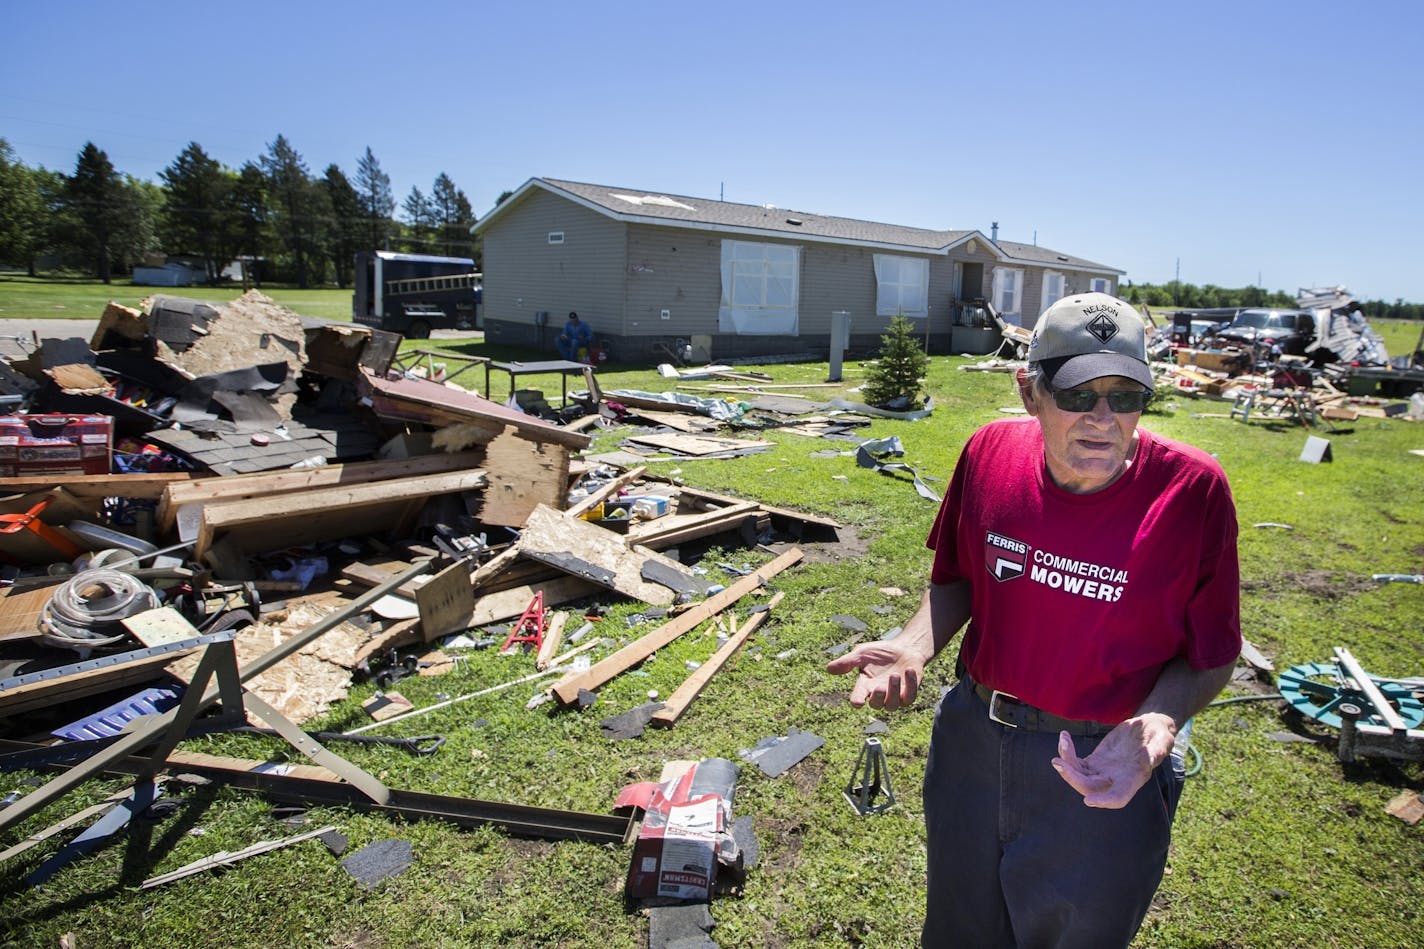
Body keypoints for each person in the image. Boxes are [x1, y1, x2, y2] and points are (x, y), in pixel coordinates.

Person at [828, 292, 1241, 949]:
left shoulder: (1193, 491)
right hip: (973, 746)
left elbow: (1214, 650)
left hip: (1103, 766)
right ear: (1030, 392)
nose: (1103, 419)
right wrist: (913, 644)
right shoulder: (989, 453)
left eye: (1126, 396)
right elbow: (961, 575)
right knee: (959, 931)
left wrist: (1160, 718)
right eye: (1079, 394)